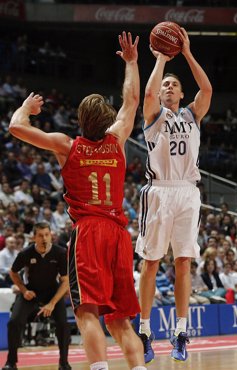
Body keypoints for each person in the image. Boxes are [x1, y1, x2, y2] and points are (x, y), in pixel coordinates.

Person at [8, 32, 146, 370]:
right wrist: (131, 62)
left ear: (81, 121)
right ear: (106, 119)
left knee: (87, 312)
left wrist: (27, 107)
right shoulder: (117, 140)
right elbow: (131, 101)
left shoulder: (66, 145)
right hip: (118, 234)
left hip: (89, 233)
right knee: (121, 319)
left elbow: (15, 127)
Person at [135, 26, 212, 363]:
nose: (168, 86)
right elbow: (148, 94)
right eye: (166, 84)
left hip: (187, 192)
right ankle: (145, 331)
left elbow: (207, 88)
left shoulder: (192, 114)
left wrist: (188, 53)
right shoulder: (154, 115)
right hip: (159, 191)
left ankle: (181, 332)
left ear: (182, 94)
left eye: (174, 85)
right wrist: (163, 60)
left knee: (183, 263)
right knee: (151, 263)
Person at [2, 222, 71, 370]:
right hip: (31, 292)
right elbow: (13, 273)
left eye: (47, 234)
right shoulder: (25, 253)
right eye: (40, 235)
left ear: (51, 235)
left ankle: (63, 363)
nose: (44, 238)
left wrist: (52, 303)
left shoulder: (60, 253)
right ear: (34, 237)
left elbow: (65, 282)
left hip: (53, 292)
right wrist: (23, 290)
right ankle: (11, 362)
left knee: (63, 325)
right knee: (14, 322)